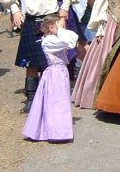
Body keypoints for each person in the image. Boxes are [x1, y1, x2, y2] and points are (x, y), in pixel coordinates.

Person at [0, 0, 79, 113]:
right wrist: (15, 10)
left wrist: (64, 8)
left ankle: (49, 97)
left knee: (51, 62)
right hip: (30, 21)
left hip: (50, 22)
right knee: (31, 63)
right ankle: (31, 98)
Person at [22, 14, 78, 142]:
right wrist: (60, 31)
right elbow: (70, 42)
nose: (62, 27)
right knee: (56, 101)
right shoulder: (48, 41)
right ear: (52, 27)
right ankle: (57, 132)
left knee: (61, 99)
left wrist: (60, 29)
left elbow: (74, 37)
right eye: (59, 25)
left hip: (61, 72)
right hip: (55, 73)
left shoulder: (54, 38)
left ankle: (58, 130)